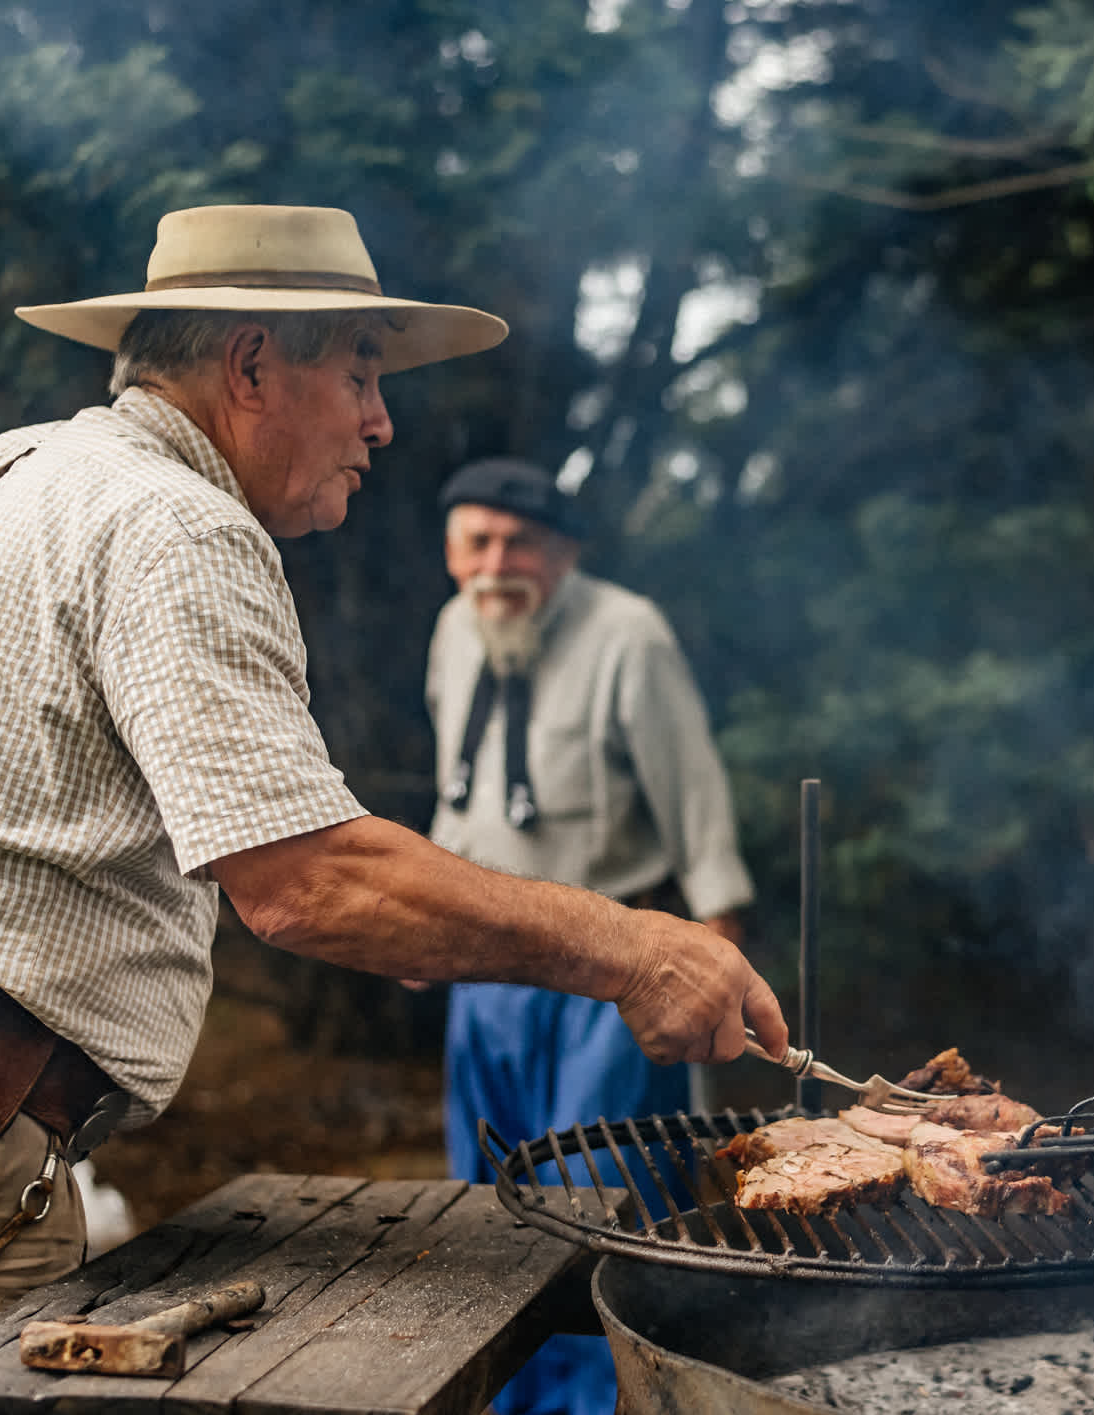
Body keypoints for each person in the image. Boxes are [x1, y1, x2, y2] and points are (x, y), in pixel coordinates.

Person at [0, 204, 786, 1385]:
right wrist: (633, 948)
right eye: (361, 373)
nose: (382, 420)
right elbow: (303, 880)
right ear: (252, 363)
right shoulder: (178, 523)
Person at [424, 457, 755, 1415]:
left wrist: (717, 938)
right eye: (477, 540)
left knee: (597, 1209)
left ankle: (601, 1403)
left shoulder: (627, 634)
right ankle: (504, 1398)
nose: (498, 562)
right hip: (484, 969)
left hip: (612, 972)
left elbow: (696, 799)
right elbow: (462, 791)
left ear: (565, 552)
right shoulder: (455, 629)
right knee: (483, 1204)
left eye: (521, 541)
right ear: (451, 550)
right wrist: (426, 931)